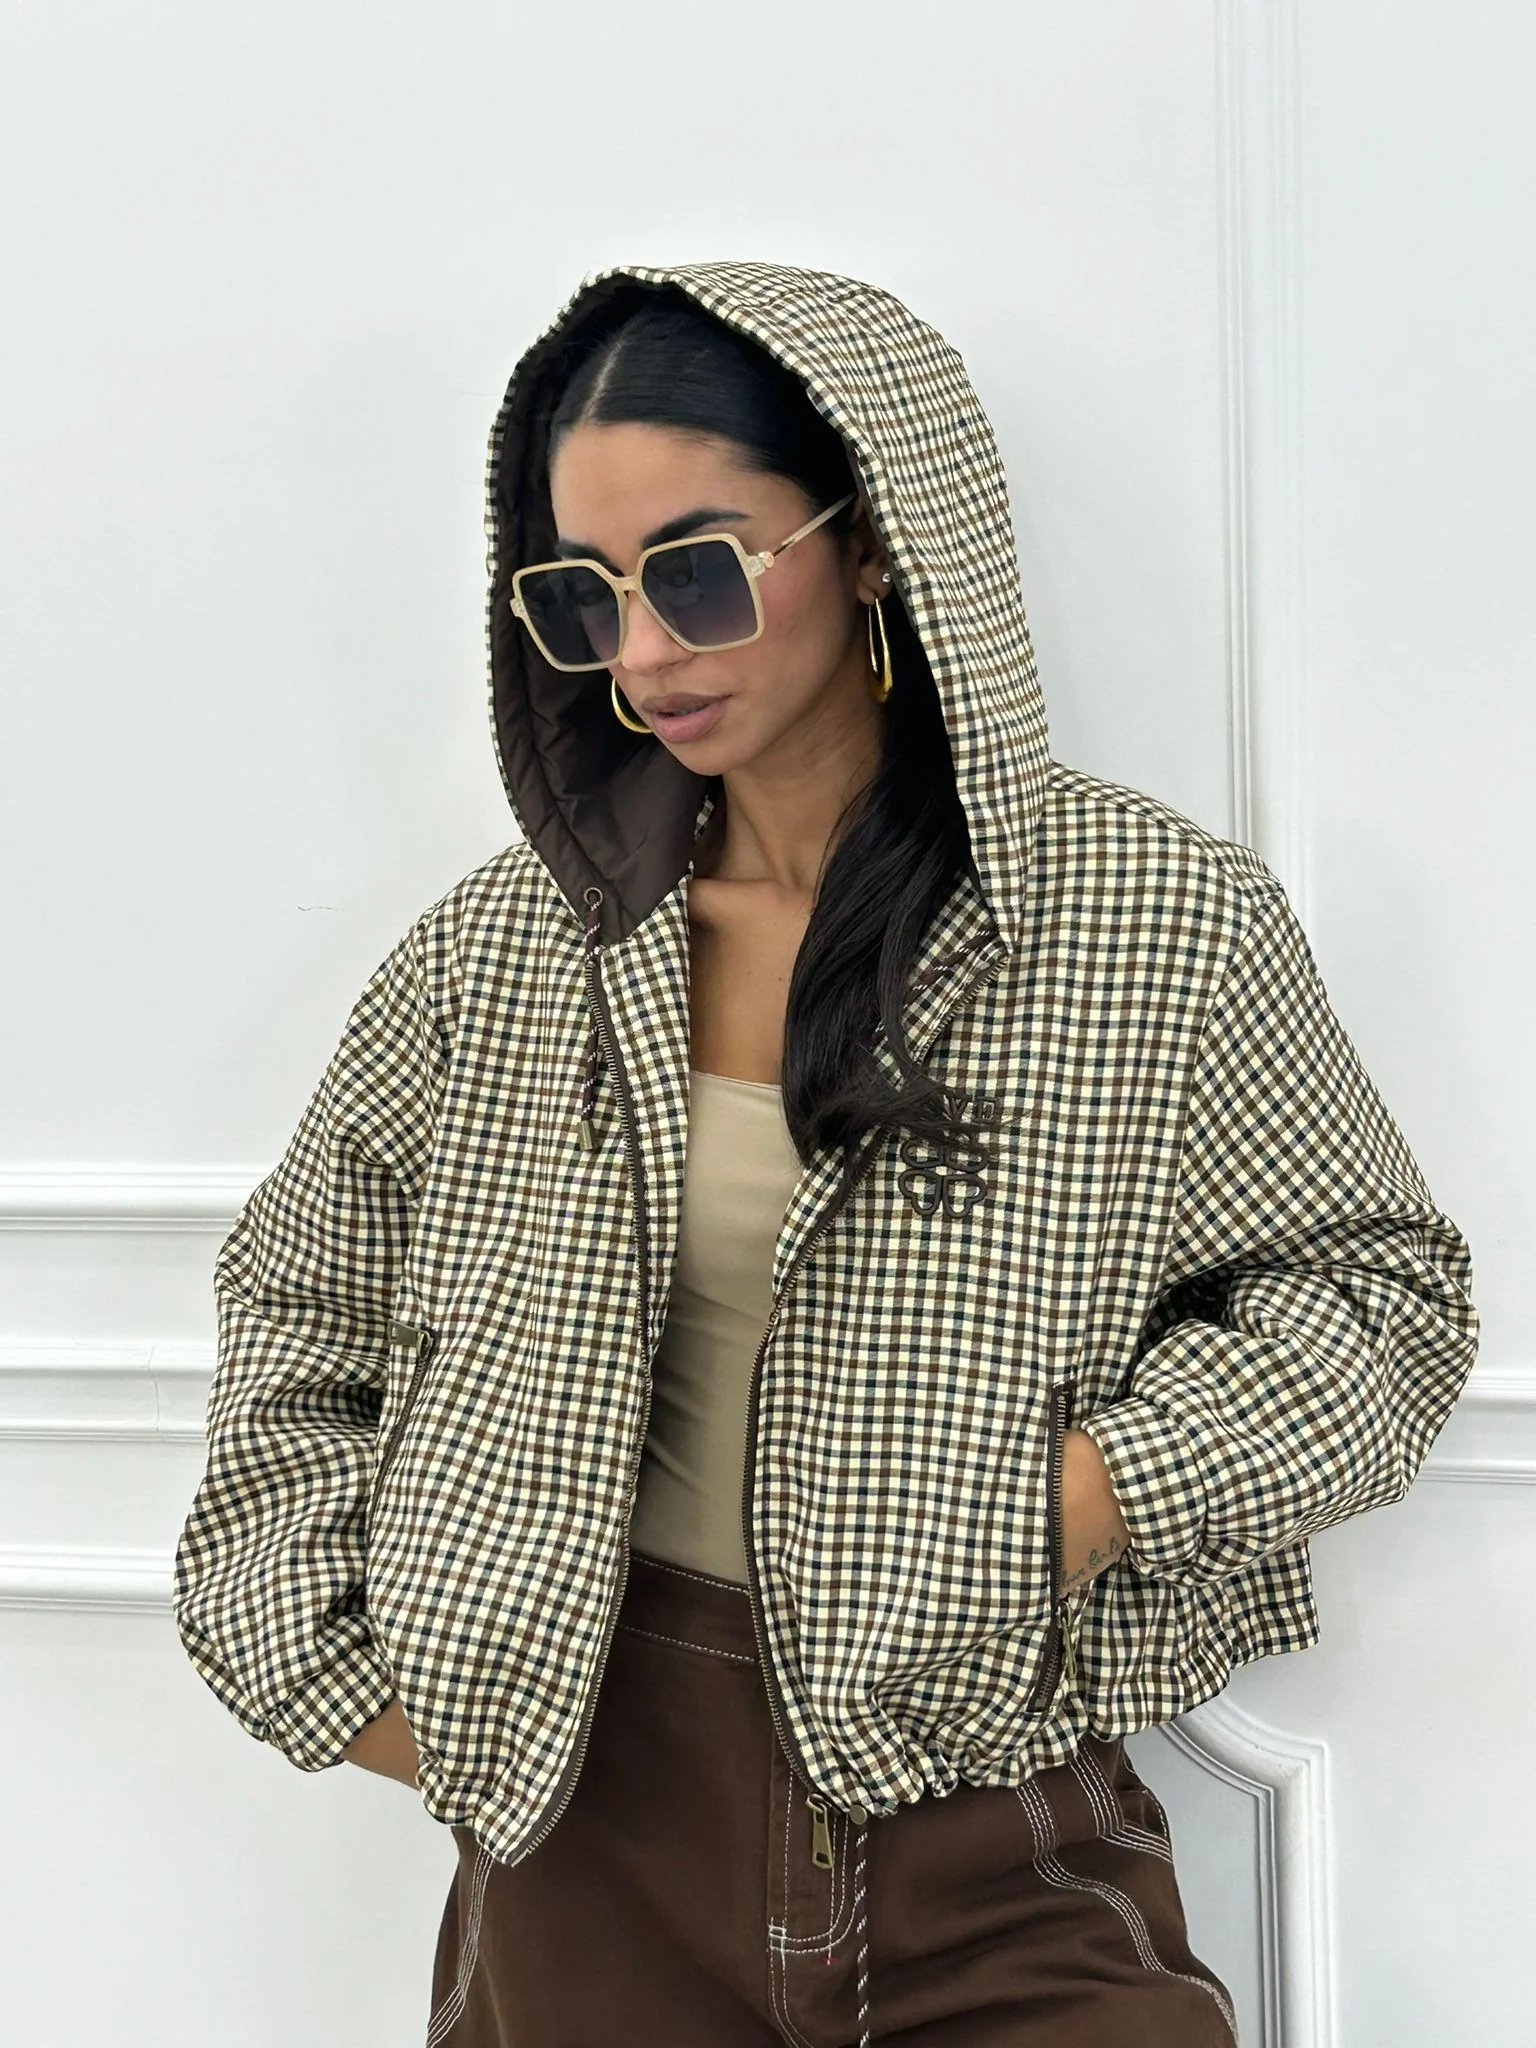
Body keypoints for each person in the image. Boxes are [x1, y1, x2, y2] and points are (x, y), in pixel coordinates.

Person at [172, 262, 1478, 2048]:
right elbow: (294, 1313)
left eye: (700, 572)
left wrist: (1071, 1504)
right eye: (584, 594)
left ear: (872, 541)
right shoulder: (507, 955)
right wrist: (374, 1691)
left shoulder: (1153, 925)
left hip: (982, 1836)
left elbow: (1382, 1307)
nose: (643, 655)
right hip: (584, 1858)